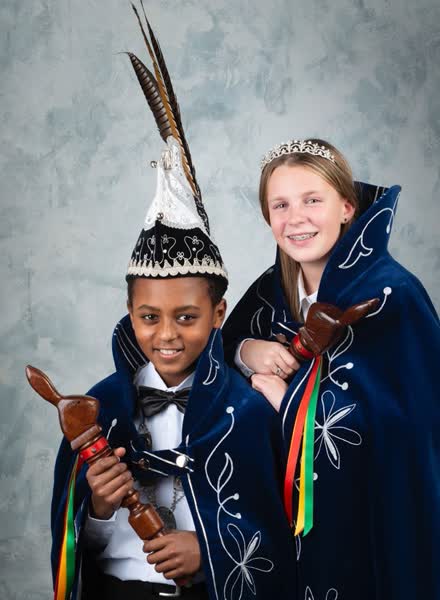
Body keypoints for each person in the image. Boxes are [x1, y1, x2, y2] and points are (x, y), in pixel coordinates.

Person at [50, 10, 296, 600]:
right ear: (128, 311)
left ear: (219, 314)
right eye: (148, 317)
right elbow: (73, 545)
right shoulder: (98, 408)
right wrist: (99, 507)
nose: (166, 335)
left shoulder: (248, 409)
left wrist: (210, 551)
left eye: (187, 317)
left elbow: (289, 531)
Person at [222, 138, 440, 599]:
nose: (295, 218)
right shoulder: (270, 292)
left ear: (346, 207)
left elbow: (408, 432)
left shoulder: (393, 297)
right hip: (281, 531)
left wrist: (290, 404)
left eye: (312, 200)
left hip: (366, 524)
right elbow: (213, 366)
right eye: (280, 205)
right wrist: (246, 350)